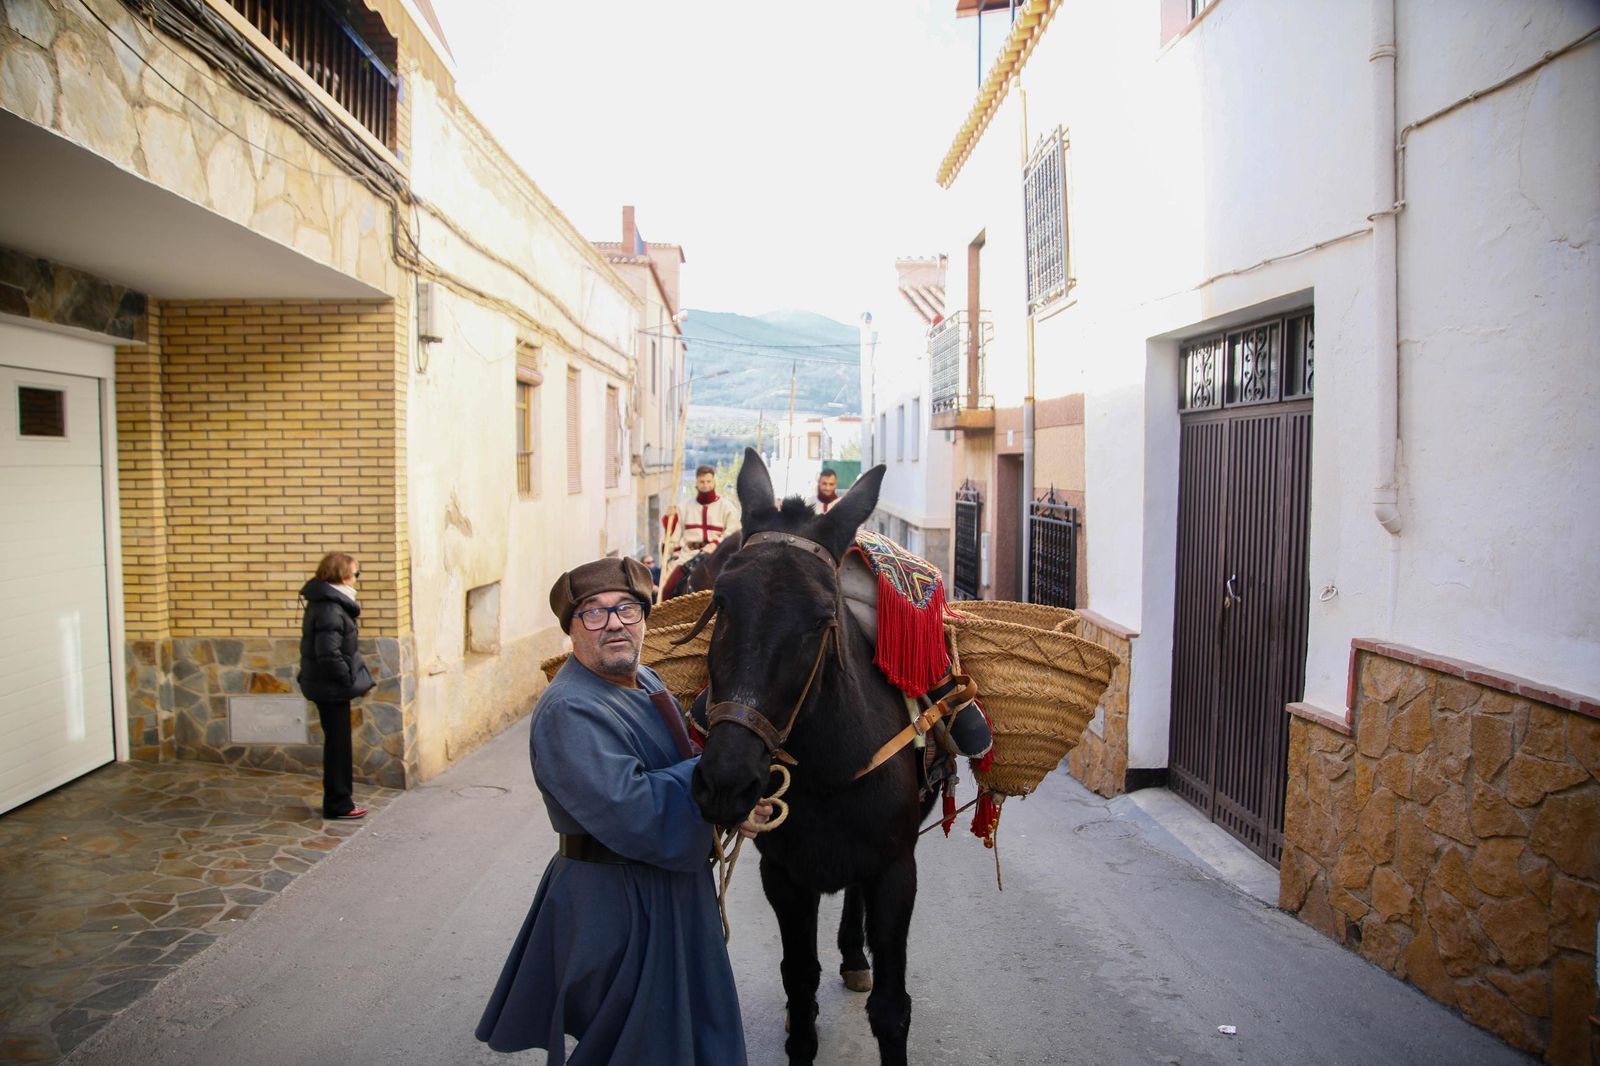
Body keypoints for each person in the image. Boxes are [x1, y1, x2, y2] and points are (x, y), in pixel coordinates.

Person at [475, 557, 767, 1064]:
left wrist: (730, 805)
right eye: (593, 612)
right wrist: (716, 778)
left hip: (670, 889)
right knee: (638, 1046)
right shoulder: (569, 708)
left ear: (644, 619)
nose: (614, 623)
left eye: (627, 609)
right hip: (620, 904)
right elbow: (633, 810)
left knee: (691, 1028)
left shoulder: (648, 680)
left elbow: (679, 763)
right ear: (571, 629)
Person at [297, 552, 375, 820]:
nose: (357, 579)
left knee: (337, 745)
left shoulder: (328, 602)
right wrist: (347, 679)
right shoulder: (331, 607)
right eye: (356, 574)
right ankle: (338, 804)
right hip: (331, 688)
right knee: (338, 748)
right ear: (342, 576)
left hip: (328, 686)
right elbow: (328, 654)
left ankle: (339, 801)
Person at [662, 465, 740, 597]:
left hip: (717, 555)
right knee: (667, 590)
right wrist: (670, 520)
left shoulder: (727, 507)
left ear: (714, 482)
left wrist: (716, 543)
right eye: (702, 482)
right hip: (689, 556)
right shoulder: (684, 507)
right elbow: (673, 536)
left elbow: (734, 532)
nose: (705, 485)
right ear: (696, 483)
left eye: (709, 481)